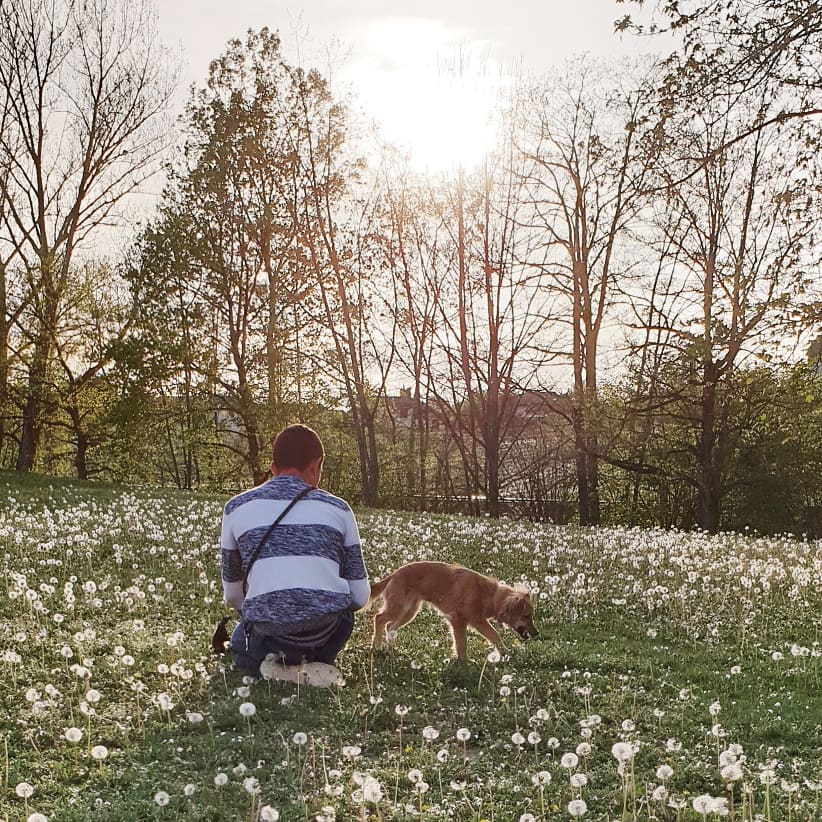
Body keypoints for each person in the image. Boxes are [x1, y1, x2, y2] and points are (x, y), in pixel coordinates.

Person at [220, 424, 370, 676]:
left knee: (239, 637)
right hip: (327, 634)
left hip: (268, 633)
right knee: (339, 615)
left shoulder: (235, 507)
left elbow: (233, 596)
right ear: (316, 464)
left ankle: (271, 665)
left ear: (273, 467)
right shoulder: (339, 509)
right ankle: (310, 665)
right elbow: (359, 597)